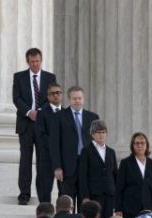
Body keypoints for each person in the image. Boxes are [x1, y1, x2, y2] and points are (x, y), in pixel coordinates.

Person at [13, 47, 57, 205]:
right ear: (27, 62)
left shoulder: (50, 77)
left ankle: (43, 194)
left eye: (37, 61)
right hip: (25, 124)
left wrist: (40, 112)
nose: (35, 64)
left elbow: (51, 97)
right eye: (32, 62)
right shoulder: (19, 77)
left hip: (42, 124)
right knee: (25, 160)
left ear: (41, 60)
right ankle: (24, 194)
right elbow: (16, 98)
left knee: (43, 161)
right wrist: (29, 112)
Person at [50, 86, 99, 207]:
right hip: (67, 168)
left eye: (79, 98)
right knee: (66, 203)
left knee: (85, 202)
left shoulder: (93, 117)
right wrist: (57, 167)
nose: (77, 101)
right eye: (74, 98)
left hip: (87, 166)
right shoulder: (59, 117)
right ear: (69, 100)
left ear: (83, 99)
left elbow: (97, 143)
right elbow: (54, 144)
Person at [78, 120, 117, 218]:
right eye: (98, 132)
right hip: (94, 194)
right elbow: (83, 175)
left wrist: (116, 194)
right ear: (92, 134)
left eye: (103, 132)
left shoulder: (111, 152)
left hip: (109, 193)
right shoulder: (86, 151)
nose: (101, 135)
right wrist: (85, 196)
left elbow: (114, 174)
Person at [34, 83, 64, 203]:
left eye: (58, 93)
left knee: (63, 189)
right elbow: (40, 135)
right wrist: (54, 145)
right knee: (45, 188)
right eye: (53, 93)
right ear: (48, 96)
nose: (56, 95)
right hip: (46, 157)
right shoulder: (42, 113)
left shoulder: (67, 112)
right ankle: (45, 214)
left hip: (63, 158)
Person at [115, 132, 152, 218]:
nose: (140, 146)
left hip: (148, 208)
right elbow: (119, 188)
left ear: (147, 145)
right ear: (133, 145)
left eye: (142, 143)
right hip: (130, 208)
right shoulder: (125, 163)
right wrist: (118, 209)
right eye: (137, 143)